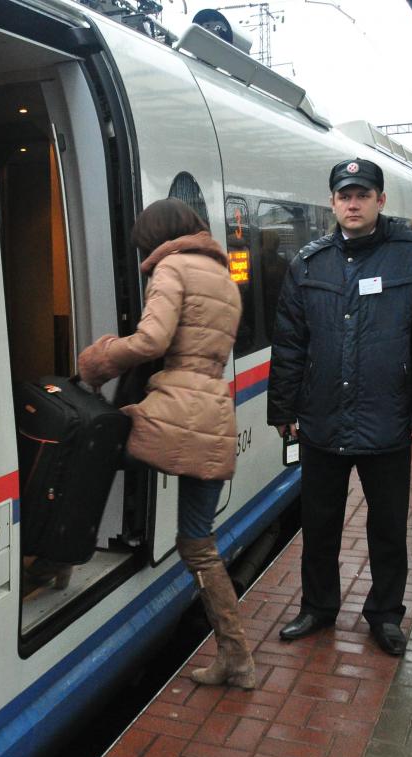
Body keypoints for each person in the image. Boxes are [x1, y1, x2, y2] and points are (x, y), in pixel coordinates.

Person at [267, 158, 412, 657]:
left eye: (362, 194)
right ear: (332, 203)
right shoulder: (309, 261)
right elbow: (289, 342)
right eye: (344, 195)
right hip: (322, 418)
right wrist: (283, 408)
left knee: (388, 527)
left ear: (380, 201)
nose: (353, 203)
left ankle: (385, 615)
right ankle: (318, 608)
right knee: (319, 524)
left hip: (387, 418)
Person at [78, 198, 254, 689]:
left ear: (156, 238)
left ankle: (54, 561)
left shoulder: (171, 267)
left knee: (87, 456)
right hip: (211, 415)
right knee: (198, 544)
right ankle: (237, 659)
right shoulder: (223, 275)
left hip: (173, 412)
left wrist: (98, 360)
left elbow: (153, 342)